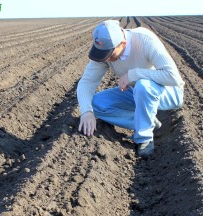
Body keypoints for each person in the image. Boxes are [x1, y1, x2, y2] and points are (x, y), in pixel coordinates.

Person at [77, 20, 185, 158]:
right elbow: (87, 82)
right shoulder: (104, 54)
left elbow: (173, 77)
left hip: (168, 92)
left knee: (143, 85)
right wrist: (86, 112)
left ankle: (144, 138)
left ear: (123, 43)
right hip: (136, 92)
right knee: (94, 104)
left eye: (110, 54)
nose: (107, 59)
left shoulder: (145, 40)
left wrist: (133, 74)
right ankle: (147, 121)